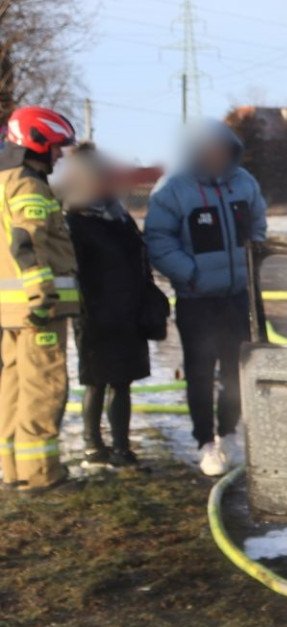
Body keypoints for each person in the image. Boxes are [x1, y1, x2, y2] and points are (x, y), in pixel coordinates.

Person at [144, 120, 267, 476]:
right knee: (199, 373)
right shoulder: (173, 189)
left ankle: (229, 435)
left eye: (222, 150)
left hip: (236, 298)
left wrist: (251, 259)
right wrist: (191, 274)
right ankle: (205, 443)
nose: (216, 157)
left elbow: (258, 222)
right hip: (197, 301)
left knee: (237, 371)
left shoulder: (244, 183)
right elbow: (159, 241)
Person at [55, 143, 153, 469]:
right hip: (96, 316)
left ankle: (122, 449)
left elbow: (138, 255)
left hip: (128, 313)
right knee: (96, 382)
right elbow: (72, 270)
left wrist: (147, 293)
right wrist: (87, 309)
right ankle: (92, 447)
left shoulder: (118, 215)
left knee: (122, 382)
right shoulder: (74, 221)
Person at [0, 106, 81, 493]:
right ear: (38, 142)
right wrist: (41, 298)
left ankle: (14, 469)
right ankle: (41, 475)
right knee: (43, 387)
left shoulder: (5, 180)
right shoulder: (29, 186)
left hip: (11, 310)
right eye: (56, 147)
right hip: (38, 310)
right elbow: (27, 243)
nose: (60, 155)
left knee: (14, 388)